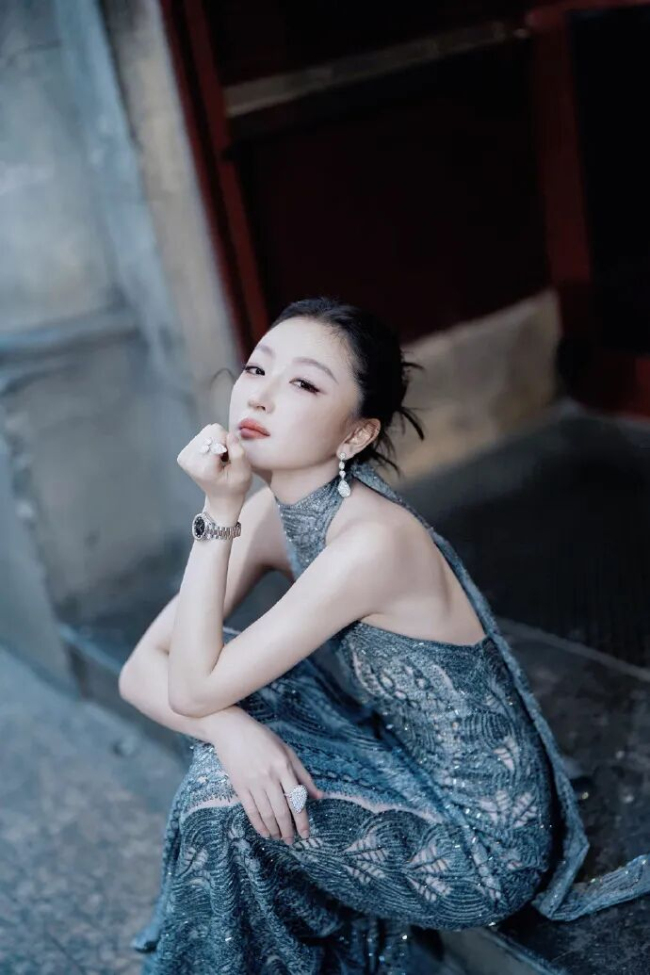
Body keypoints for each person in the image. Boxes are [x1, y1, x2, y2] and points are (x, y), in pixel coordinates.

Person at [119, 298, 650, 974]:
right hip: (392, 752)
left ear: (355, 436)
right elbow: (142, 668)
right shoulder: (267, 512)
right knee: (230, 718)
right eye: (256, 368)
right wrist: (231, 730)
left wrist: (217, 508)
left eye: (304, 383)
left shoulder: (372, 543)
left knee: (223, 789)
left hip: (478, 842)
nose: (261, 395)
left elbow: (189, 686)